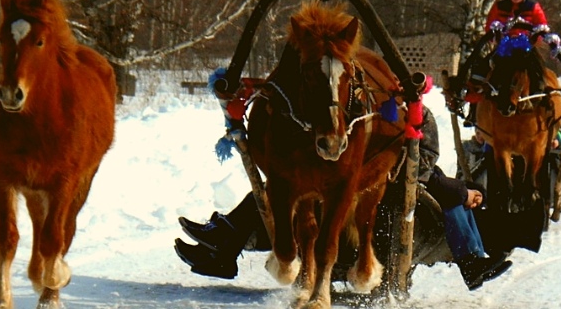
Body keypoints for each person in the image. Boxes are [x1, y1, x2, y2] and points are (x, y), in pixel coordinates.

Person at [175, 107, 511, 291]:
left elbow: (426, 164)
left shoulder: (415, 119)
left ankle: (473, 262)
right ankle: (222, 239)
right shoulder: (360, 116)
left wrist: (392, 166)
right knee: (278, 189)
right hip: (353, 180)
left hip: (392, 183)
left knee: (452, 196)